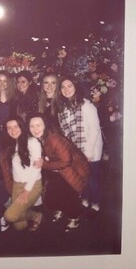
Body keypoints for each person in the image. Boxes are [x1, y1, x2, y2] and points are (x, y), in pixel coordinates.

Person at [29, 113, 90, 232]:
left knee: (68, 195)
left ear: (45, 125)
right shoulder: (39, 138)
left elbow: (66, 162)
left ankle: (74, 217)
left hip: (72, 171)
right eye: (32, 126)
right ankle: (61, 209)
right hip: (57, 170)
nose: (35, 129)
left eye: (38, 125)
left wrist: (44, 164)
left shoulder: (54, 138)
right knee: (52, 195)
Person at [57, 76, 104, 213]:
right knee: (80, 177)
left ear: (75, 87)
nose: (66, 90)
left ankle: (95, 203)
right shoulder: (62, 108)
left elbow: (94, 130)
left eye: (69, 86)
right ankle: (84, 199)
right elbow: (65, 132)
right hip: (75, 150)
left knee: (91, 178)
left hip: (90, 149)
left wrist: (88, 152)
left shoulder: (87, 106)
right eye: (63, 87)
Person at [0, 116, 43, 231]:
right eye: (9, 128)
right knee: (20, 226)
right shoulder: (12, 143)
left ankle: (36, 215)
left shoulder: (32, 142)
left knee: (10, 216)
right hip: (17, 184)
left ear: (22, 126)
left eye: (16, 126)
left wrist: (27, 190)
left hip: (32, 184)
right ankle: (32, 214)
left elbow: (37, 168)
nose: (12, 130)